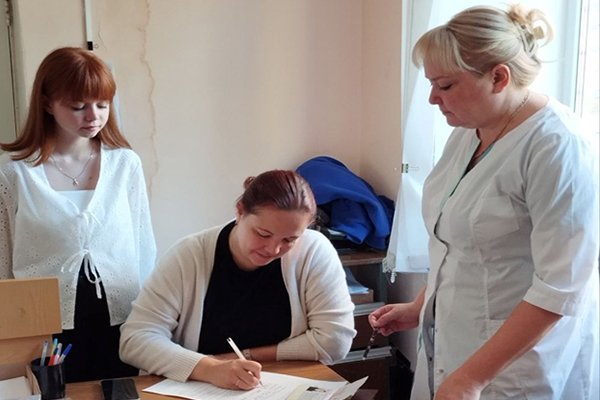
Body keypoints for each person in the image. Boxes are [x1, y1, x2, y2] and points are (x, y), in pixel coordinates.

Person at [369, 4, 599, 400]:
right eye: (431, 84)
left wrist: (472, 377)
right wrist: (421, 306)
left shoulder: (558, 148)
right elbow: (455, 242)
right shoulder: (469, 131)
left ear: (498, 77)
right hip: (454, 344)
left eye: (445, 86)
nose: (432, 99)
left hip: (515, 367)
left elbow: (560, 289)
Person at [0, 47, 157, 383]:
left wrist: (150, 318)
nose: (93, 117)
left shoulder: (125, 164)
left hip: (119, 315)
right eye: (78, 106)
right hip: (42, 321)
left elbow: (142, 244)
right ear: (47, 104)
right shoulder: (14, 174)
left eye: (102, 104)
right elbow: (3, 255)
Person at [120, 170, 355, 390]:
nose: (273, 249)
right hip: (200, 390)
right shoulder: (189, 256)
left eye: (289, 240)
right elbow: (136, 340)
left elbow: (335, 341)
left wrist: (239, 357)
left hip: (279, 388)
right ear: (240, 211)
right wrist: (209, 369)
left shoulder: (313, 252)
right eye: (263, 234)